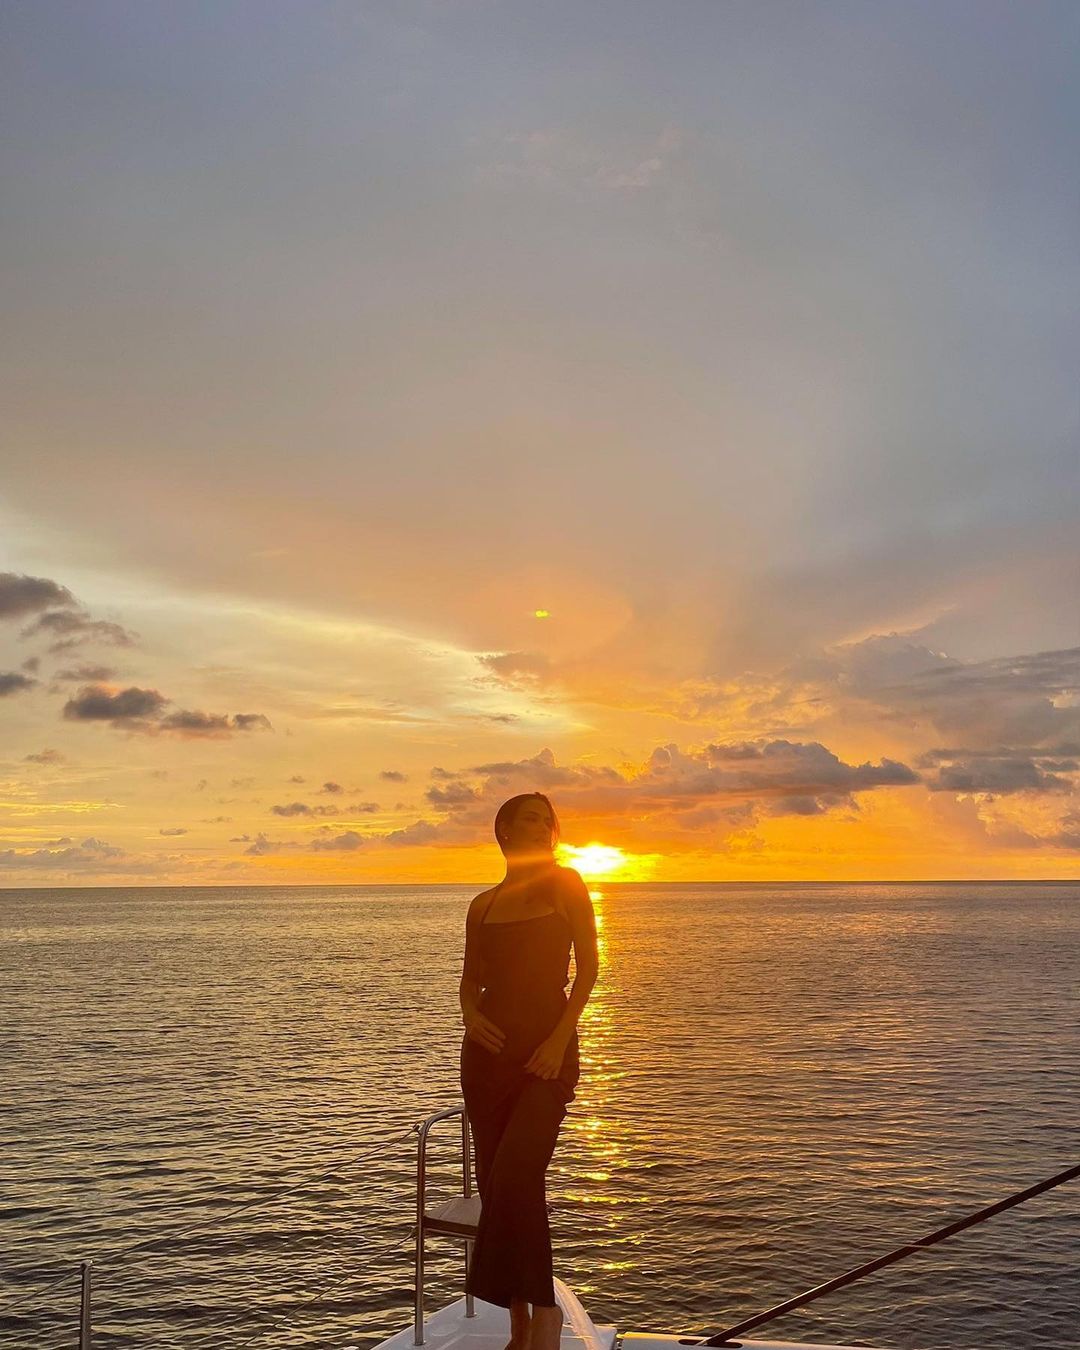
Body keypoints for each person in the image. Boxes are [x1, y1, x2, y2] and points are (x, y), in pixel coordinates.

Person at [459, 793, 600, 1350]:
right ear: (505, 831)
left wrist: (560, 1040)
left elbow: (589, 968)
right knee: (504, 1190)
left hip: (547, 1056)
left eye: (549, 821)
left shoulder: (565, 884)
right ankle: (523, 1328)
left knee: (517, 1177)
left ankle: (544, 1316)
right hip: (487, 1062)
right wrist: (470, 1016)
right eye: (532, 820)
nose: (544, 828)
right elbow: (471, 982)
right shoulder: (483, 904)